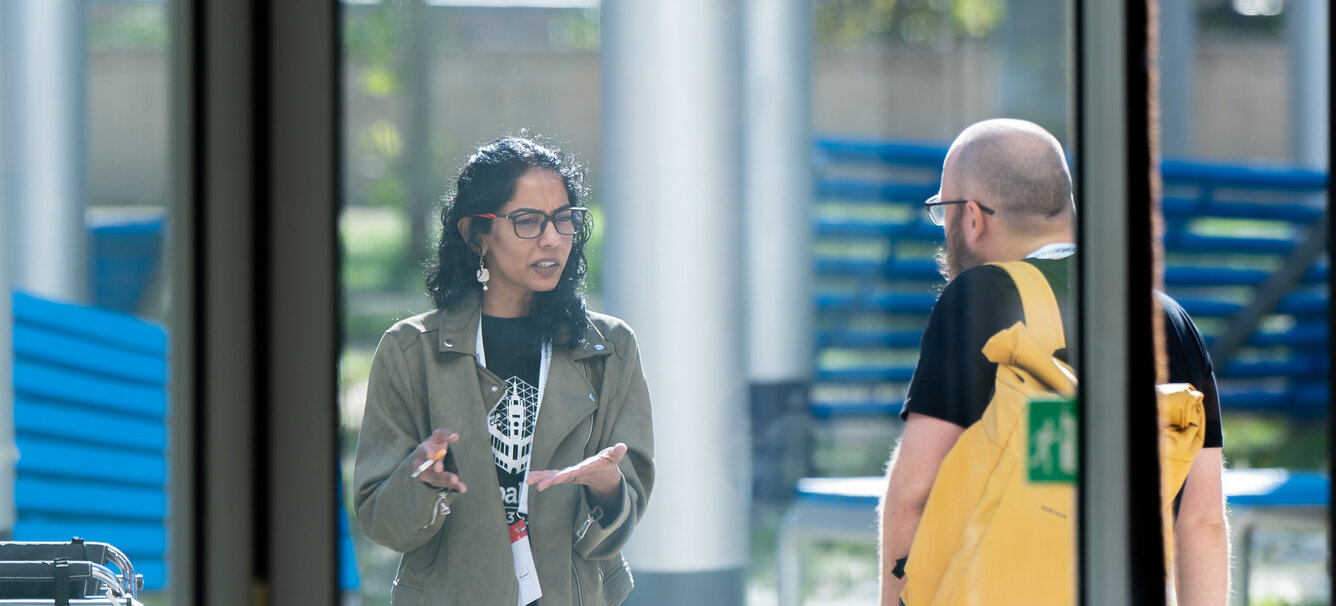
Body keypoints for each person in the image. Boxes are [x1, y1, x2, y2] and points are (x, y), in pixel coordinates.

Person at [876, 119, 1228, 605]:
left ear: (973, 218)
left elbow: (916, 492)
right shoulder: (1167, 319)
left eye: (944, 212)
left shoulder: (978, 299)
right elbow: (1202, 519)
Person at [354, 135, 654, 606]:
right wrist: (421, 482)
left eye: (563, 219)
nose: (553, 238)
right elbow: (379, 520)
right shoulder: (410, 351)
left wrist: (608, 486)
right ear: (477, 233)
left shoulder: (610, 348)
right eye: (528, 222)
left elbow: (626, 505)